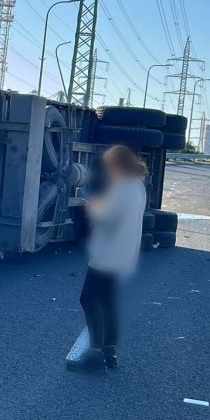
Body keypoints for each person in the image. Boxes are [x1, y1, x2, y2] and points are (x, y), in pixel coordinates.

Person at [67, 145, 149, 373]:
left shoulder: (123, 186)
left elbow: (108, 217)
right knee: (107, 301)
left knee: (88, 298)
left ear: (117, 164)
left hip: (108, 254)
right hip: (124, 254)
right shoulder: (137, 185)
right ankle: (110, 352)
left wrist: (93, 206)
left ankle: (95, 352)